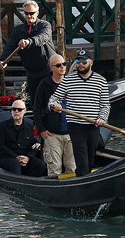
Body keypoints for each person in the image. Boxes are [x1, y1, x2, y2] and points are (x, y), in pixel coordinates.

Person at [48, 49, 110, 177]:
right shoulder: (68, 80)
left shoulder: (101, 81)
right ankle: (84, 187)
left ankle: (85, 182)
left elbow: (105, 105)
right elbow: (53, 99)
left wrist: (102, 118)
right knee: (82, 162)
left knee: (90, 161)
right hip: (76, 126)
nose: (80, 64)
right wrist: (54, 105)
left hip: (94, 126)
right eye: (78, 61)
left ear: (91, 62)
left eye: (84, 61)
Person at [0, 1, 56, 107]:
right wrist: (3, 60)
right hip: (31, 71)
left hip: (47, 69)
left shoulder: (45, 25)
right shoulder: (18, 30)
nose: (29, 16)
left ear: (37, 13)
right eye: (26, 14)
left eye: (31, 13)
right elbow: (10, 46)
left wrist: (29, 41)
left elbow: (42, 38)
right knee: (35, 102)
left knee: (49, 101)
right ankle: (37, 123)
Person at [33, 53, 75, 176]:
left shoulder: (71, 84)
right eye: (58, 65)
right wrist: (41, 129)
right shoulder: (44, 85)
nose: (62, 67)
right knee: (54, 170)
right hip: (52, 134)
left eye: (64, 64)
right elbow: (36, 109)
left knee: (72, 168)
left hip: (71, 133)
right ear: (51, 68)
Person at [0, 100, 47, 177]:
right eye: (13, 109)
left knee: (40, 165)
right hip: (8, 158)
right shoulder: (3, 126)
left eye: (19, 109)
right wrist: (16, 157)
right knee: (15, 164)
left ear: (25, 111)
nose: (16, 111)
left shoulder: (30, 126)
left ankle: (32, 182)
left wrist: (28, 157)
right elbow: (0, 145)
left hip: (25, 157)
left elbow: (35, 143)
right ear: (11, 111)